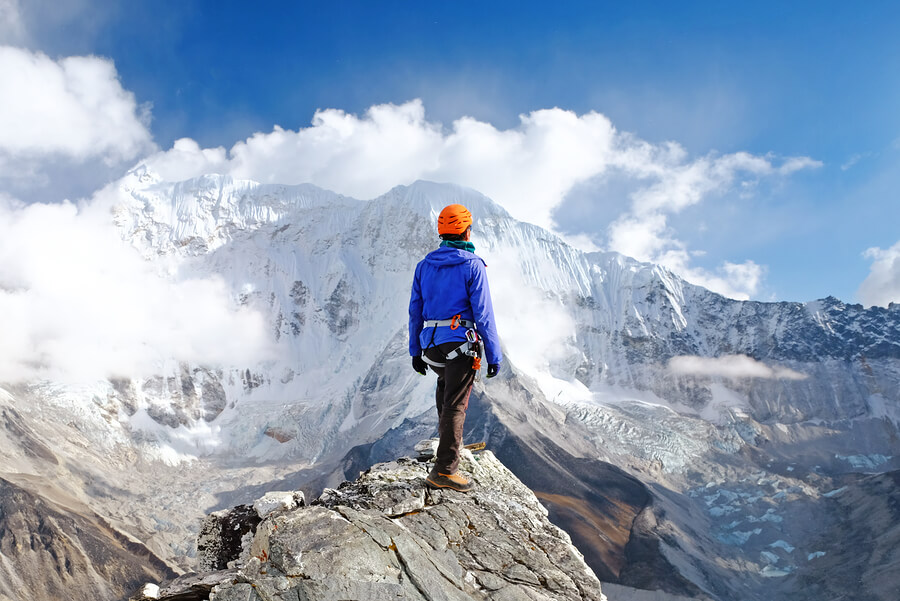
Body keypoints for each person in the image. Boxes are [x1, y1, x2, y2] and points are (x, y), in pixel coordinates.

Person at [408, 203, 502, 492]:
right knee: (455, 405)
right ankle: (446, 469)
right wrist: (494, 355)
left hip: (431, 346)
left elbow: (415, 310)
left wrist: (414, 350)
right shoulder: (472, 265)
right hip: (460, 343)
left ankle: (451, 446)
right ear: (467, 230)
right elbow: (483, 314)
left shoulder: (424, 265)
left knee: (445, 391)